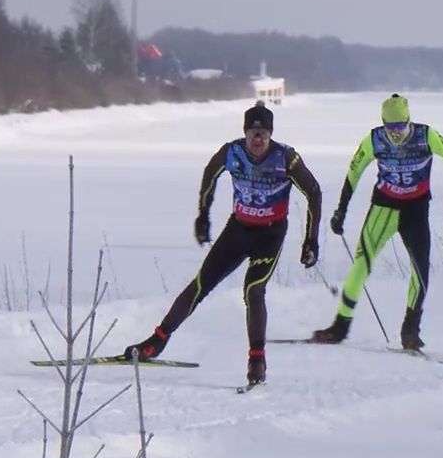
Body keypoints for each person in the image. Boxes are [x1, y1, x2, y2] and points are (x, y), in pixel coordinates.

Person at [122, 101, 323, 386]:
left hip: (270, 234)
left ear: (270, 135)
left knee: (253, 291)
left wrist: (311, 241)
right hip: (238, 230)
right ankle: (158, 340)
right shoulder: (232, 152)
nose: (258, 141)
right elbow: (210, 173)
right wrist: (203, 215)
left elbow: (314, 191)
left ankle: (257, 360)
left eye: (264, 135)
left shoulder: (286, 158)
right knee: (200, 284)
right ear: (245, 133)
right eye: (253, 134)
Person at [312, 93, 443, 352]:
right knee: (361, 264)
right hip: (384, 207)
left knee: (420, 272)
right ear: (383, 124)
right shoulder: (374, 139)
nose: (395, 133)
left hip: (416, 210)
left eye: (400, 127)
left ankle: (410, 331)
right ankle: (339, 327)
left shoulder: (426, 136)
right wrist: (341, 211)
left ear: (409, 121)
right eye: (390, 127)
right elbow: (354, 172)